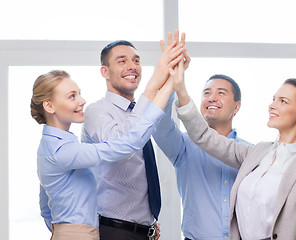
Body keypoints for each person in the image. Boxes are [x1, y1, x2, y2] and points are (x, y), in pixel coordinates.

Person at [32, 42, 183, 240]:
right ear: (49, 106)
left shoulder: (61, 146)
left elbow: (47, 204)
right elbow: (127, 144)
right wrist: (162, 81)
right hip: (108, 231)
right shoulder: (64, 147)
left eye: (136, 60)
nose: (82, 101)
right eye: (72, 96)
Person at [170, 58, 296, 240]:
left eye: (283, 101)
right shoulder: (257, 152)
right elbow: (204, 137)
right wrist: (180, 88)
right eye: (273, 99)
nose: (272, 105)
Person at [80, 36, 188, 240]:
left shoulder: (141, 112)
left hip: (146, 232)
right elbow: (123, 144)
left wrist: (172, 78)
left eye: (136, 60)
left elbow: (160, 119)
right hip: (113, 230)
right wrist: (155, 83)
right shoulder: (96, 112)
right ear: (105, 72)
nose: (132, 66)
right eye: (122, 61)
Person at [153, 71, 250, 239]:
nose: (211, 98)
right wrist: (172, 81)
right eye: (206, 93)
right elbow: (160, 124)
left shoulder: (249, 152)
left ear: (237, 106)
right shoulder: (183, 146)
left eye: (221, 92)